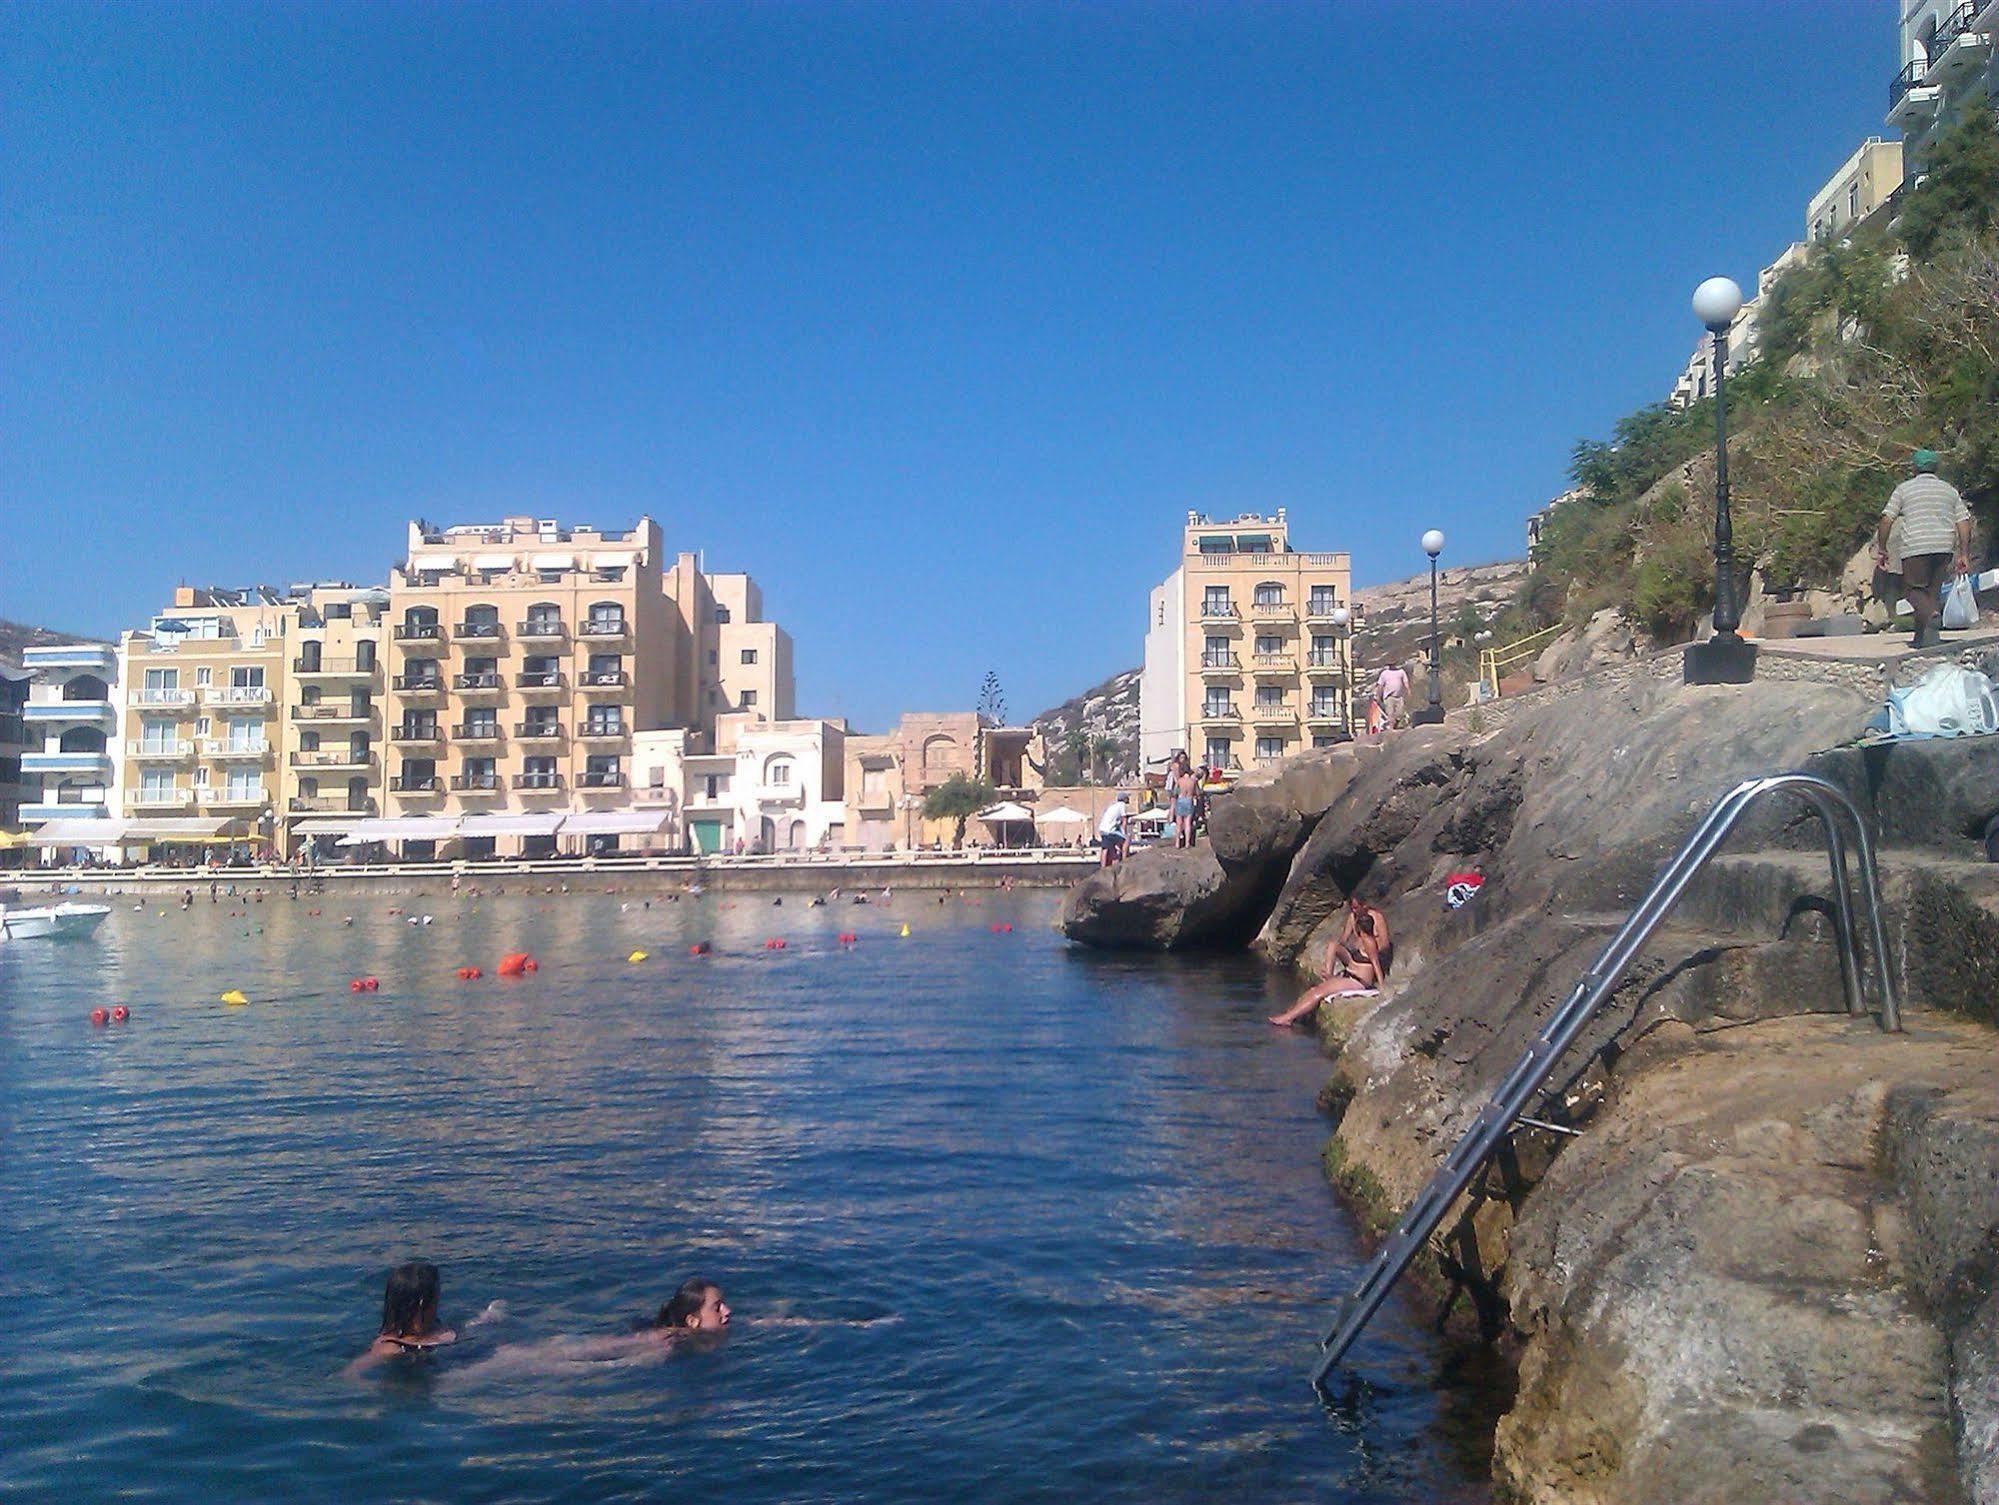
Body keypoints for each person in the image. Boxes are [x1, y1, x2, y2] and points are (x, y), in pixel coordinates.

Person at [1877, 449, 1972, 648]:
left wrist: (1882, 547)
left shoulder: (1904, 489)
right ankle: (1922, 639)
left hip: (1915, 548)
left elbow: (1886, 519)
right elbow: (1963, 521)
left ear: (1914, 468)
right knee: (1931, 593)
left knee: (1913, 590)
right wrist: (1963, 553)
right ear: (1936, 468)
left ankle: (1930, 614)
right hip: (1943, 548)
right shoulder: (1948, 490)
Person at [1267, 897, 1393, 1027]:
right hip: (1352, 975)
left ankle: (1287, 1018)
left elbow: (1376, 963)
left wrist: (1381, 987)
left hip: (1358, 981)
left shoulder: (1369, 942)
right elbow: (1344, 940)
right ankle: (1290, 1014)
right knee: (1314, 989)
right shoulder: (1362, 936)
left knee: (1317, 992)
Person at [354, 1260, 457, 1366]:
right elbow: (352, 1372)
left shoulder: (436, 1325)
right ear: (423, 1302)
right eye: (436, 1295)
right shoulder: (390, 1348)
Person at [654, 1277, 731, 1335]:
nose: (727, 1311)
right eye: (717, 1308)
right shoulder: (665, 1345)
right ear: (692, 1321)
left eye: (723, 1303)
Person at [1374, 663, 1411, 731]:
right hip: (1389, 697)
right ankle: (1391, 729)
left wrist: (1408, 690)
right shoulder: (1384, 673)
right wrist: (1379, 695)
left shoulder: (1401, 672)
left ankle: (1396, 724)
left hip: (1399, 696)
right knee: (1390, 713)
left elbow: (1405, 682)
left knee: (1400, 713)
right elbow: (1380, 685)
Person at [1097, 793, 1129, 868]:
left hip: (1102, 829)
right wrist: (1125, 834)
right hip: (1110, 830)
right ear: (1124, 799)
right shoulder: (1122, 805)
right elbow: (1124, 821)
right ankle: (1125, 862)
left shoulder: (1112, 806)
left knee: (1106, 848)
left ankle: (1103, 867)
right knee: (1126, 840)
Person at [1173, 764, 1199, 849]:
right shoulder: (1193, 781)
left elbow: (1175, 792)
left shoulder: (1179, 780)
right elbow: (1197, 793)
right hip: (1189, 800)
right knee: (1188, 823)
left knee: (1179, 823)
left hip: (1181, 800)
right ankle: (1187, 843)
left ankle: (1177, 843)